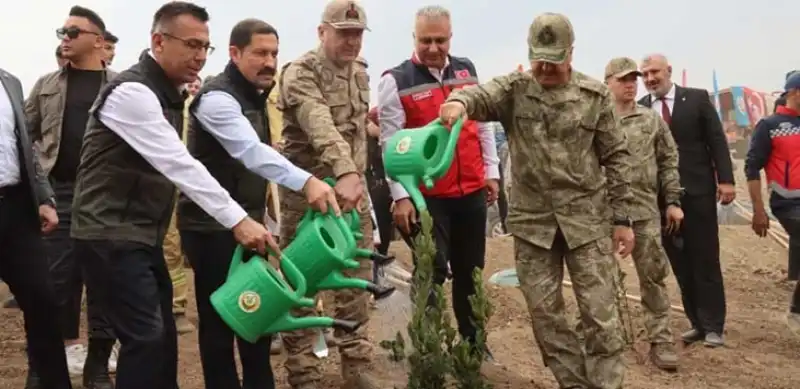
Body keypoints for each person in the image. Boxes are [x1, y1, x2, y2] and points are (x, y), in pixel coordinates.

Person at [69, 3, 278, 388]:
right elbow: (180, 164)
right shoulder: (133, 92)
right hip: (108, 234)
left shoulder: (169, 93)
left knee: (162, 341)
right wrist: (239, 220)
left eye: (205, 47)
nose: (199, 56)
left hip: (138, 234)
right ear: (158, 41)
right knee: (145, 339)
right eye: (191, 44)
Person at [439, 13, 635, 389]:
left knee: (600, 315)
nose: (544, 67)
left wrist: (623, 218)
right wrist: (459, 103)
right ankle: (574, 384)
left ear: (571, 53)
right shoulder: (515, 89)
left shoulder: (595, 97)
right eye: (538, 58)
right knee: (546, 317)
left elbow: (616, 157)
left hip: (587, 224)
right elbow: (479, 94)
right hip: (534, 228)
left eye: (553, 58)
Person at [178, 18, 338, 389]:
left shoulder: (255, 96)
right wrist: (307, 180)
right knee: (221, 321)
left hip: (248, 224)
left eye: (274, 54)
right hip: (211, 227)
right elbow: (250, 152)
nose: (270, 62)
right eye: (260, 53)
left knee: (258, 315)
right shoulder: (217, 99)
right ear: (234, 53)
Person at [378, 5, 500, 354]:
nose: (433, 47)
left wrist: (491, 171)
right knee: (430, 271)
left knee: (470, 271)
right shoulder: (396, 80)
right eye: (425, 40)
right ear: (413, 38)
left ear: (451, 37)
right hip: (426, 196)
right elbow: (390, 142)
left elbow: (484, 123)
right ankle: (430, 347)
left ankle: (474, 343)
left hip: (471, 190)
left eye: (440, 40)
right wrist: (401, 195)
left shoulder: (467, 70)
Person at [277, 1, 377, 387]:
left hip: (352, 199)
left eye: (357, 33)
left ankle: (357, 365)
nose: (352, 41)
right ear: (322, 32)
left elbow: (353, 130)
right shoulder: (301, 73)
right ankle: (303, 374)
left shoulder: (361, 73)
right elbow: (319, 124)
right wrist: (346, 170)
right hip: (308, 200)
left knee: (355, 280)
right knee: (302, 286)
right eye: (343, 32)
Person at [24, 6, 118, 388]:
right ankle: (42, 369)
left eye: (73, 31)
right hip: (57, 193)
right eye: (61, 30)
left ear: (97, 40)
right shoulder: (46, 85)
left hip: (105, 197)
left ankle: (97, 366)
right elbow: (21, 135)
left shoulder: (121, 86)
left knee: (104, 283)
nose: (64, 36)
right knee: (53, 285)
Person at [638, 54, 735, 348]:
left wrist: (726, 180)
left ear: (668, 70)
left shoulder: (696, 99)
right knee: (680, 262)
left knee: (705, 258)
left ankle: (713, 325)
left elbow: (716, 139)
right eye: (644, 74)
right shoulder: (641, 109)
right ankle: (696, 323)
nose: (650, 78)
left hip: (698, 192)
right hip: (662, 200)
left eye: (654, 71)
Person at [604, 57, 684, 370]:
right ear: (607, 81)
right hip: (603, 216)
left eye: (633, 79)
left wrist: (673, 200)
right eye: (623, 79)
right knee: (600, 280)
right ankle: (601, 340)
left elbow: (668, 160)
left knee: (653, 279)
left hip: (643, 212)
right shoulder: (596, 120)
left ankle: (661, 341)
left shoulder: (650, 120)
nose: (630, 84)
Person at [0, 67, 73, 389]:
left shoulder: (10, 82)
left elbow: (25, 145)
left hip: (15, 206)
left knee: (43, 301)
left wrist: (43, 196)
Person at [745, 72, 800, 336]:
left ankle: (796, 310)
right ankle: (796, 311)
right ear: (794, 92)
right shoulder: (770, 125)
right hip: (787, 202)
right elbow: (752, 167)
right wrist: (758, 211)